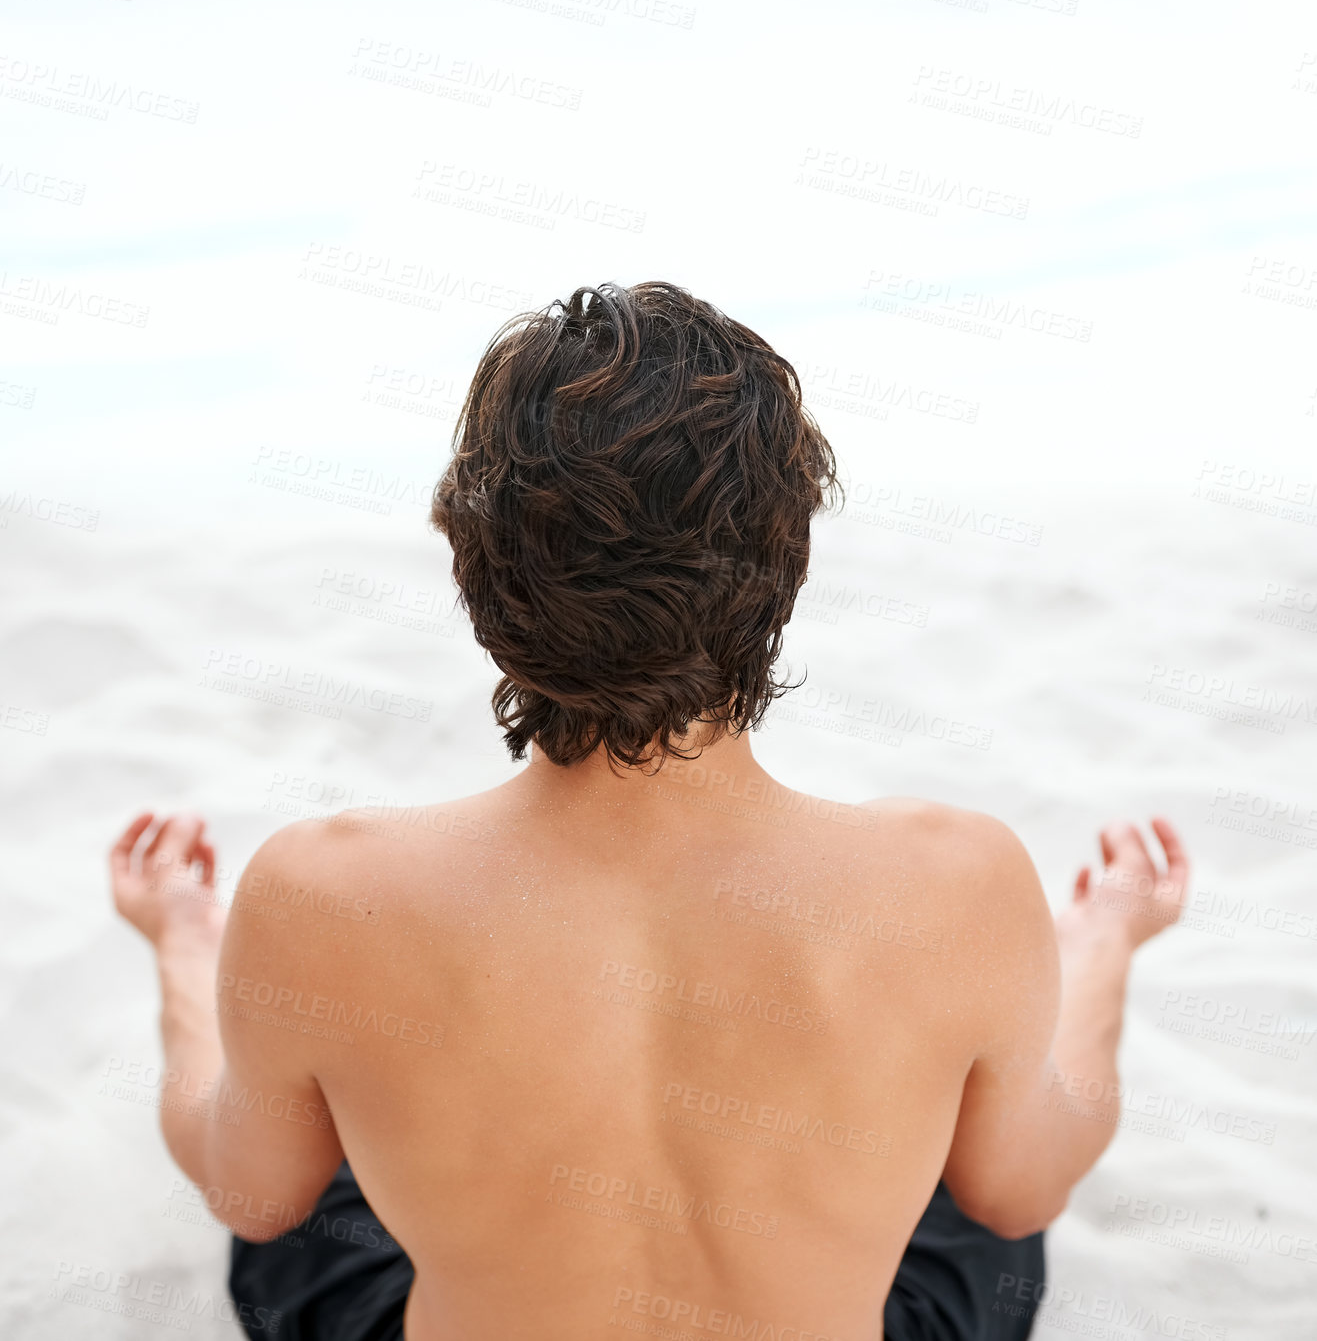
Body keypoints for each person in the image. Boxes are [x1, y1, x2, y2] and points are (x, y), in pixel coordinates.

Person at [109, 282, 1190, 1341]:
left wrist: (185, 942)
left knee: (320, 1126)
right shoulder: (958, 881)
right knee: (963, 1120)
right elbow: (1020, 1192)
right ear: (787, 562)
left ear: (477, 569)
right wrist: (1103, 942)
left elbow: (252, 1196)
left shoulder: (323, 891)